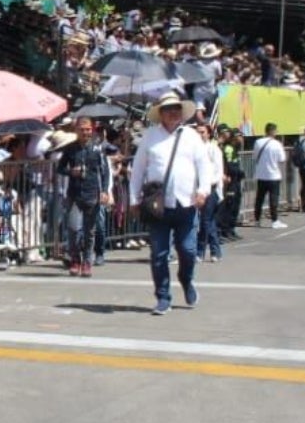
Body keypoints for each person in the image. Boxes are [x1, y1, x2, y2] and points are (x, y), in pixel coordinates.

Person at [129, 92, 210, 315]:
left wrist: (203, 190)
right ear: (161, 113)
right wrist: (134, 198)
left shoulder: (192, 136)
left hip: (186, 202)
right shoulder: (150, 136)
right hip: (159, 206)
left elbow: (204, 165)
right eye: (168, 109)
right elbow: (138, 170)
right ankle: (163, 296)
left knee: (187, 249)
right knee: (159, 253)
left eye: (176, 108)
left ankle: (186, 279)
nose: (173, 112)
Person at [57, 117, 112, 277]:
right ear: (76, 130)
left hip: (92, 193)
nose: (85, 132)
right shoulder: (69, 149)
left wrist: (105, 191)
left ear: (92, 130)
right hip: (74, 194)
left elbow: (104, 171)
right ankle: (75, 259)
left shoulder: (97, 149)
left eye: (88, 129)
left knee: (90, 231)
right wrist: (71, 172)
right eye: (82, 129)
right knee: (74, 230)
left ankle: (87, 261)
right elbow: (60, 168)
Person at [195, 123, 224, 263]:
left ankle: (200, 252)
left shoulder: (213, 149)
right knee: (209, 222)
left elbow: (218, 172)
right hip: (197, 188)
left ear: (208, 134)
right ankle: (215, 251)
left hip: (210, 189)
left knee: (205, 221)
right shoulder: (193, 149)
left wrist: (210, 185)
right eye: (198, 132)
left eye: (202, 132)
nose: (200, 134)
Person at [252, 122, 287, 228]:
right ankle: (274, 220)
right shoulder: (277, 144)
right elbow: (282, 159)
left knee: (259, 198)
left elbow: (254, 156)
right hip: (273, 175)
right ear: (273, 131)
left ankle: (257, 220)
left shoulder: (258, 142)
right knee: (273, 198)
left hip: (261, 175)